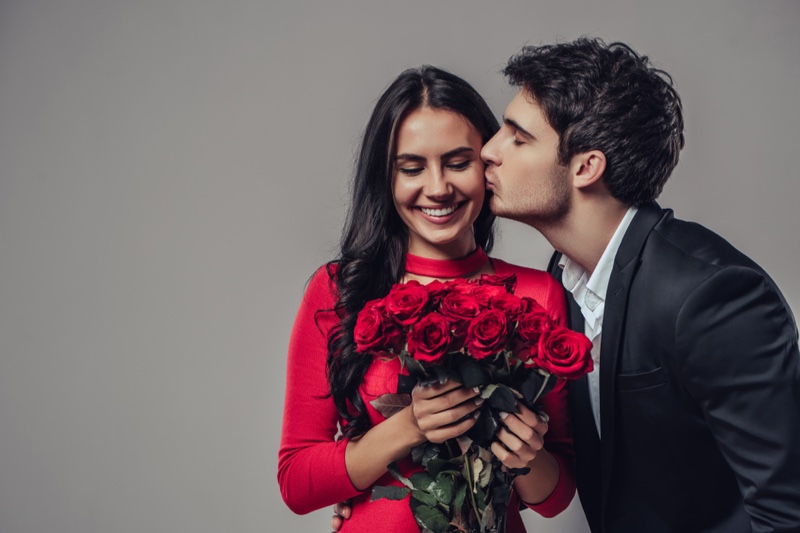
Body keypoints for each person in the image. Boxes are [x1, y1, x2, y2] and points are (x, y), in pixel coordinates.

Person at [479, 38, 800, 532]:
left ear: (587, 167)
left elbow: (784, 514)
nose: (489, 151)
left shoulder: (713, 295)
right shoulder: (559, 282)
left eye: (518, 138)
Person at [278, 66, 576, 532]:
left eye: (458, 162)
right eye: (412, 168)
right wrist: (408, 427)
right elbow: (297, 482)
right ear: (386, 178)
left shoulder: (538, 294)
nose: (438, 188)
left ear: (488, 163)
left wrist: (526, 454)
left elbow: (555, 499)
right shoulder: (339, 289)